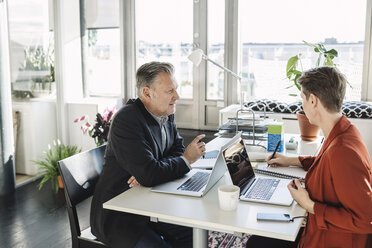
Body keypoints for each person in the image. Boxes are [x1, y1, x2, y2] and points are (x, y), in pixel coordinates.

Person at [247, 66, 372, 248]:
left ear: (313, 100)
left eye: (303, 99)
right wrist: (292, 160)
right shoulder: (343, 132)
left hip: (327, 240)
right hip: (319, 230)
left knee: (256, 244)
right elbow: (330, 167)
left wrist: (309, 204)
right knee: (259, 240)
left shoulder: (344, 151)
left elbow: (366, 219)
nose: (302, 106)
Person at [90, 62, 207, 248]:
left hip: (152, 204)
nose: (177, 96)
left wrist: (154, 170)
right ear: (146, 93)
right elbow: (154, 170)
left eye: (175, 89)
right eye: (170, 91)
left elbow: (174, 150)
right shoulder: (127, 119)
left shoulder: (165, 113)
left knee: (196, 235)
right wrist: (184, 160)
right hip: (120, 217)